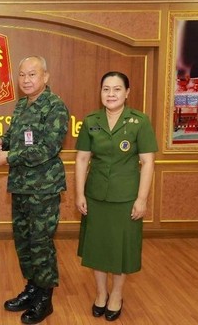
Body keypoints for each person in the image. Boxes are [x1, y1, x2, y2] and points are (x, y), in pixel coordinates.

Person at [0, 56, 69, 325]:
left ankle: (45, 298)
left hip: (43, 189)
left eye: (32, 74)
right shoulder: (22, 105)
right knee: (23, 241)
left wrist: (9, 157)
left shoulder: (55, 106)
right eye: (22, 75)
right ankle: (32, 288)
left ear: (45, 77)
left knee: (41, 243)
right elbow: (16, 137)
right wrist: (1, 141)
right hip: (21, 187)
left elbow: (48, 148)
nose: (26, 80)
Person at [75, 71, 157, 322]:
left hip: (126, 197)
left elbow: (148, 162)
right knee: (97, 248)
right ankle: (101, 293)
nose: (111, 94)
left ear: (127, 93)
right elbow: (82, 159)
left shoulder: (140, 121)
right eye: (106, 89)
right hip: (96, 195)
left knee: (122, 250)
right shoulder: (91, 121)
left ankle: (117, 295)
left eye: (117, 89)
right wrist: (79, 193)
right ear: (100, 92)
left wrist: (142, 199)